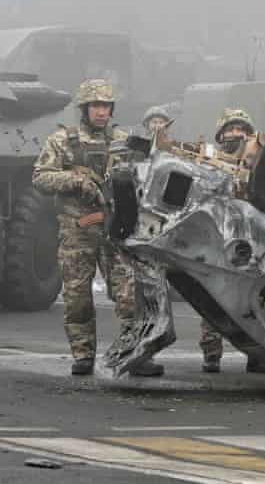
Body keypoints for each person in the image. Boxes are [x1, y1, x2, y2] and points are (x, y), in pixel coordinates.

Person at [32, 79, 163, 376]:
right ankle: (83, 355)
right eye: (95, 106)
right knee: (77, 299)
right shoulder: (62, 140)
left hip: (116, 230)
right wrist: (76, 181)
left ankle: (135, 355)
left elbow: (149, 172)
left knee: (130, 297)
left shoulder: (123, 141)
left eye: (106, 106)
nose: (101, 112)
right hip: (77, 231)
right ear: (84, 108)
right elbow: (40, 177)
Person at [201, 108, 265, 374]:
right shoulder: (207, 159)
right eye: (231, 129)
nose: (237, 134)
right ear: (221, 134)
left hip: (251, 237)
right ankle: (211, 353)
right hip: (217, 236)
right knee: (212, 294)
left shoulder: (260, 160)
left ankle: (258, 356)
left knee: (255, 298)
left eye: (242, 129)